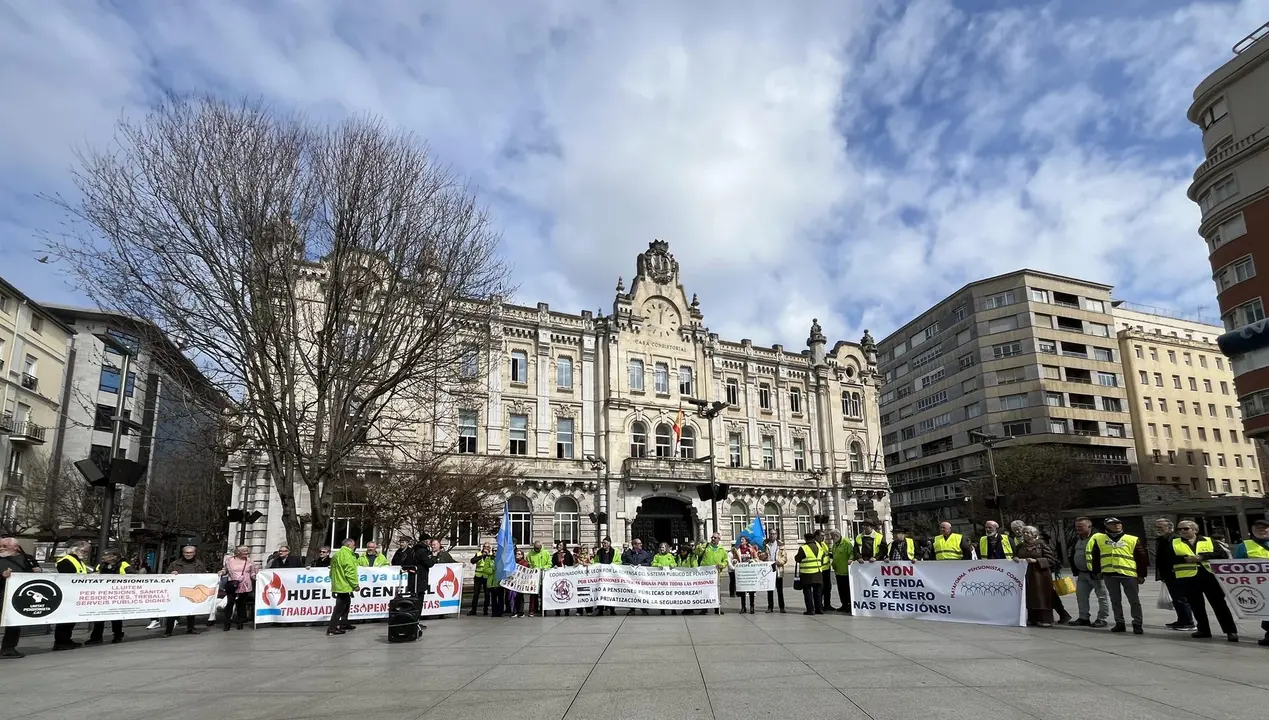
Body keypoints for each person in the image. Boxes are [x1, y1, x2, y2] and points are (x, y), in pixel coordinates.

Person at [1172, 520, 1238, 642]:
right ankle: (1203, 630)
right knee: (1196, 606)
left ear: (1194, 530)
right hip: (1188, 578)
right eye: (1179, 529)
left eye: (1185, 528)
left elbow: (1221, 554)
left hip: (1209, 577)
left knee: (1220, 605)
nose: (1182, 531)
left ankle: (1230, 631)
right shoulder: (1174, 542)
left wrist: (1203, 557)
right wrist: (1184, 559)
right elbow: (1168, 558)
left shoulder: (1208, 540)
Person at [1088, 517, 1148, 635]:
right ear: (1106, 526)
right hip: (1109, 574)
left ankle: (1137, 623)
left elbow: (1142, 558)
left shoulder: (1132, 539)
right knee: (1115, 601)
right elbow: (1096, 557)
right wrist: (1097, 572)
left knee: (1134, 601)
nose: (1117, 526)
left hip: (1129, 574)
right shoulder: (1100, 539)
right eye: (1113, 524)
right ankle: (1119, 623)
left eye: (1119, 523)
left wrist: (1141, 574)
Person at [0, 537, 41, 658]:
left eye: (5, 546)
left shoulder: (27, 558)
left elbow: (33, 574)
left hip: (15, 596)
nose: (1, 548)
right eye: (1, 546)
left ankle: (8, 648)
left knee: (13, 622)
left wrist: (37, 571)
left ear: (16, 548)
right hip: (1, 591)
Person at [1153, 518, 1197, 631]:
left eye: (1160, 527)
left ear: (1169, 528)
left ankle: (1188, 621)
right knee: (1176, 598)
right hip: (1168, 574)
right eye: (1156, 527)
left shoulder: (1175, 539)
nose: (1157, 529)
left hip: (1177, 574)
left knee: (1181, 598)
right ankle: (1182, 619)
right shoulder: (1162, 539)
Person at [1067, 517, 1110, 628]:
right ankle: (1083, 618)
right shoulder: (1076, 538)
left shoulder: (1099, 538)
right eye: (1076, 526)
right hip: (1081, 574)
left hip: (1096, 574)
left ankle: (1102, 618)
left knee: (1101, 596)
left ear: (1089, 526)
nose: (1078, 529)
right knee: (1081, 596)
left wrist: (1100, 571)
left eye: (1080, 526)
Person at [1232, 518, 1269, 646]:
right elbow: (1237, 567)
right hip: (1259, 586)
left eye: (1264, 528)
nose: (1262, 530)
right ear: (1252, 531)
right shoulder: (1244, 546)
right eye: (1258, 528)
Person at [1014, 526, 1057, 627]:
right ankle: (1032, 618)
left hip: (1040, 575)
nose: (1025, 534)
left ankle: (1045, 619)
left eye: (1027, 533)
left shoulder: (1041, 544)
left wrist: (1036, 561)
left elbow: (1051, 559)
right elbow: (1015, 555)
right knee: (1029, 595)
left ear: (1034, 534)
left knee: (1042, 596)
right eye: (1024, 532)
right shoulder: (1020, 546)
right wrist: (1015, 558)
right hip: (1026, 574)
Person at [54, 541, 91, 650]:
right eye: (84, 551)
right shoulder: (66, 561)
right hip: (68, 594)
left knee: (70, 619)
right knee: (65, 620)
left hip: (76, 594)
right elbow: (68, 577)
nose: (86, 554)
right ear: (76, 549)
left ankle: (66, 639)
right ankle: (61, 641)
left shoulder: (78, 561)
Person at [164, 546, 205, 637]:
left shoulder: (199, 564)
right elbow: (166, 576)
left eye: (190, 552)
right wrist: (171, 574)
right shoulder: (175, 564)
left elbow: (204, 577)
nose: (188, 554)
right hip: (177, 591)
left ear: (194, 553)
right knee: (172, 611)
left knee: (191, 610)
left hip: (192, 590)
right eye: (186, 552)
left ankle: (190, 628)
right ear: (183, 553)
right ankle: (168, 631)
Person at [326, 538, 359, 637]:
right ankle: (332, 628)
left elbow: (332, 570)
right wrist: (355, 585)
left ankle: (344, 623)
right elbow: (350, 572)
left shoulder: (337, 555)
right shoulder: (347, 555)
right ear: (349, 546)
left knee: (346, 603)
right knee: (340, 607)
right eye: (353, 546)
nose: (354, 547)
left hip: (338, 583)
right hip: (344, 584)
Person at [220, 545, 258, 631]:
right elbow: (225, 570)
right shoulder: (229, 561)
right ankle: (227, 623)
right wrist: (221, 572)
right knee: (230, 603)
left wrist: (256, 577)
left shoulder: (250, 561)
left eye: (247, 551)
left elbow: (252, 573)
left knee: (241, 604)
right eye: (244, 551)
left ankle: (240, 622)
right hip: (232, 585)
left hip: (245, 586)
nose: (246, 552)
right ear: (238, 552)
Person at [699, 534, 729, 615]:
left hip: (716, 574)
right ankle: (704, 609)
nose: (712, 539)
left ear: (719, 539)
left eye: (715, 538)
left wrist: (722, 565)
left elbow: (725, 561)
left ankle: (717, 608)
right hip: (705, 573)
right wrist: (700, 545)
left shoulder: (722, 549)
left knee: (717, 592)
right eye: (712, 537)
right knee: (705, 591)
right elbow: (697, 553)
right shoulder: (706, 547)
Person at [794, 532, 824, 615]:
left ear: (805, 539)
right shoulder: (819, 546)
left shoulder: (803, 548)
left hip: (807, 573)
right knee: (818, 593)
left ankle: (810, 610)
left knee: (807, 593)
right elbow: (822, 557)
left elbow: (798, 559)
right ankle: (819, 609)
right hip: (818, 572)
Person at [622, 538, 652, 616]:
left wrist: (641, 565)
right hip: (631, 578)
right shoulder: (629, 553)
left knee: (642, 593)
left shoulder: (645, 553)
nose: (641, 545)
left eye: (641, 543)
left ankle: (644, 609)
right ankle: (632, 609)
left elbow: (648, 563)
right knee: (632, 593)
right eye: (639, 543)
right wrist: (629, 565)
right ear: (634, 545)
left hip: (641, 578)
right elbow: (624, 562)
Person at [592, 537, 620, 616]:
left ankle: (612, 609)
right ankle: (600, 609)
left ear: (609, 543)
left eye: (605, 543)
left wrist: (613, 565)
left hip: (611, 576)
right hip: (601, 576)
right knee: (601, 592)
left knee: (611, 592)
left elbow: (619, 561)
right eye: (602, 543)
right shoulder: (599, 552)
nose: (603, 544)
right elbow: (595, 561)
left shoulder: (615, 552)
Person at [732, 536, 760, 614]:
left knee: (751, 591)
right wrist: (734, 561)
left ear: (746, 542)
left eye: (742, 540)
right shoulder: (737, 550)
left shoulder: (751, 549)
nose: (741, 541)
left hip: (750, 573)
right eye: (741, 540)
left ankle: (752, 607)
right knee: (742, 591)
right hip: (742, 573)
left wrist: (753, 560)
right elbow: (734, 558)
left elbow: (756, 558)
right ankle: (743, 607)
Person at [525, 541, 552, 617]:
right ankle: (533, 610)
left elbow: (549, 564)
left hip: (543, 576)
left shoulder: (546, 553)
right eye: (535, 548)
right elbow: (528, 564)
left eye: (537, 548)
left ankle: (543, 609)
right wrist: (531, 568)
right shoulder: (530, 554)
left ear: (541, 547)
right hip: (534, 577)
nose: (536, 550)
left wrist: (544, 568)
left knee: (543, 594)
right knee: (533, 595)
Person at [829, 531, 852, 614]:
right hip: (838, 570)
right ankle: (844, 604)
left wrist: (850, 560)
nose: (831, 539)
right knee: (841, 589)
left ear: (836, 535)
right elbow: (835, 555)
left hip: (845, 570)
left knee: (847, 589)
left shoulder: (846, 543)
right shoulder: (835, 544)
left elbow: (851, 554)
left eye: (832, 537)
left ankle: (849, 605)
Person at [469, 543, 494, 616]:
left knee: (487, 594)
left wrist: (488, 555)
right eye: (485, 547)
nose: (486, 548)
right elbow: (472, 561)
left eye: (488, 547)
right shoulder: (478, 554)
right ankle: (473, 610)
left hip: (487, 577)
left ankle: (485, 610)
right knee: (476, 594)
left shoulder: (491, 555)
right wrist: (481, 556)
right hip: (478, 576)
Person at [763, 537, 787, 614]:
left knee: (780, 590)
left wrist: (778, 562)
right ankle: (770, 607)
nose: (772, 535)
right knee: (770, 590)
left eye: (774, 534)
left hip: (778, 570)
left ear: (776, 535)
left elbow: (784, 558)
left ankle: (782, 607)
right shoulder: (766, 545)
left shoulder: (781, 546)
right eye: (771, 534)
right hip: (769, 570)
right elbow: (762, 555)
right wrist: (763, 558)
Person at [552, 542, 575, 617]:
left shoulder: (568, 554)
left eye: (561, 545)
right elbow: (552, 563)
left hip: (566, 575)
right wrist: (554, 566)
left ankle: (566, 610)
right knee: (557, 592)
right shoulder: (555, 555)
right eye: (558, 545)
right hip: (558, 576)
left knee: (566, 592)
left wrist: (567, 566)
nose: (559, 546)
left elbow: (571, 563)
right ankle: (557, 610)